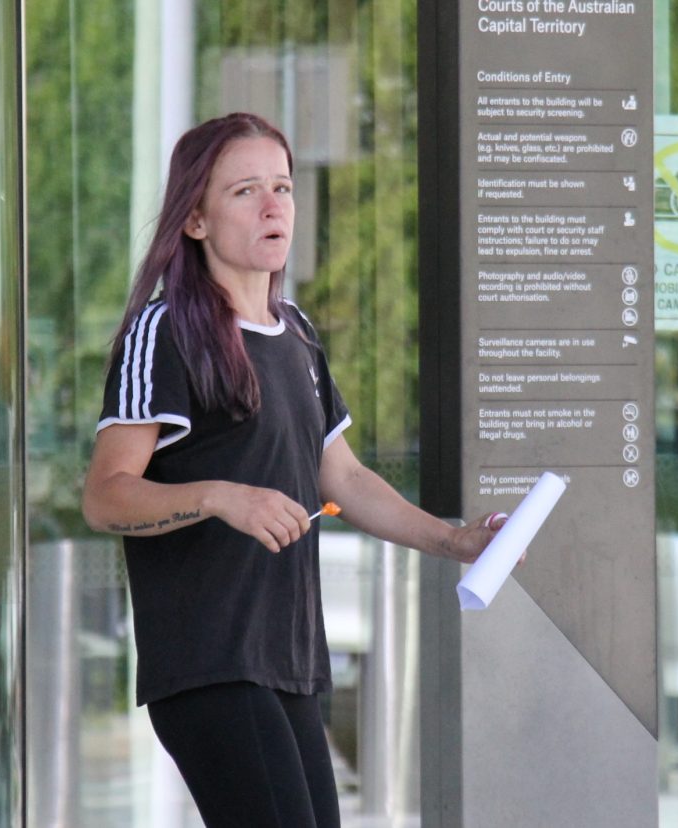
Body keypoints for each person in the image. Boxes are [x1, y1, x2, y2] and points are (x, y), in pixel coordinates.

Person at [82, 112, 502, 828]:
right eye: (245, 191)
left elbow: (344, 476)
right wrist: (220, 497)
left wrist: (454, 542)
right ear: (195, 220)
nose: (273, 204)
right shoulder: (165, 331)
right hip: (211, 663)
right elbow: (105, 496)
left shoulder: (298, 333)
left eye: (282, 186)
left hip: (291, 663)